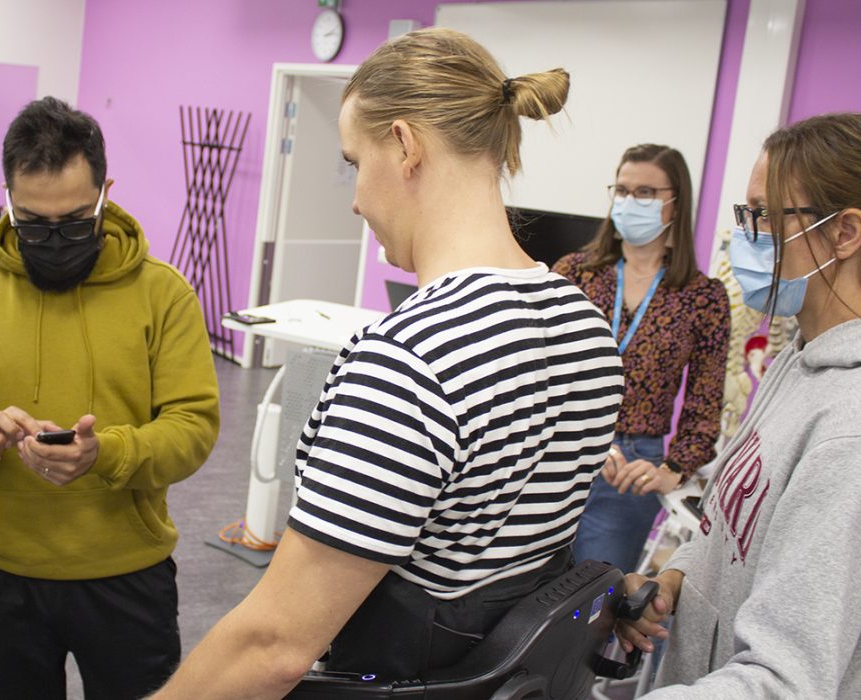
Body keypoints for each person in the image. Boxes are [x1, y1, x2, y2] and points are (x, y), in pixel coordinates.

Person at [152, 28, 624, 698]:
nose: (354, 199)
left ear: (404, 147)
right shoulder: (584, 328)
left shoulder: (411, 360)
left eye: (354, 162)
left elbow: (274, 645)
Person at [616, 113, 861, 698]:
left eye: (763, 217)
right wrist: (678, 578)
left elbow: (784, 682)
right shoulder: (803, 362)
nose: (746, 236)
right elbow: (734, 527)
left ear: (845, 234)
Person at [0, 96, 220, 699]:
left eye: (73, 223)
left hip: (128, 578)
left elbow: (193, 426)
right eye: (32, 224)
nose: (52, 240)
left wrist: (108, 454)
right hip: (0, 578)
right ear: (8, 199)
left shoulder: (163, 295)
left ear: (105, 194)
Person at [556, 144, 730, 575]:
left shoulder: (702, 297)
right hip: (560, 448)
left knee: (587, 602)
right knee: (522, 592)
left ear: (676, 203)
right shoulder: (574, 274)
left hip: (632, 470)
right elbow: (540, 371)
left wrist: (673, 469)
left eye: (647, 193)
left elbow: (703, 407)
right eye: (623, 190)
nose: (630, 201)